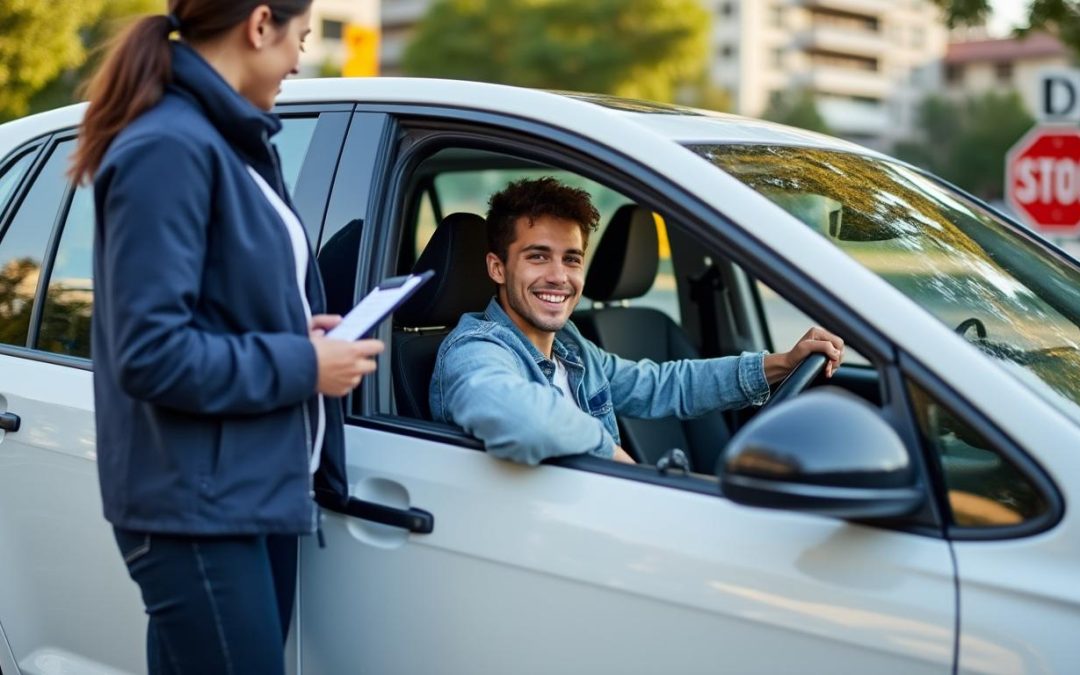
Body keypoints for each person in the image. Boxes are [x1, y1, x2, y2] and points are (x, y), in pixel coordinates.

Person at [69, 3, 383, 673]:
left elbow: (211, 303)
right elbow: (150, 352)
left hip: (247, 491)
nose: (301, 59)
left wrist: (295, 329)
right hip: (196, 510)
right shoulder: (168, 147)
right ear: (261, 23)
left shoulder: (225, 141)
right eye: (301, 38)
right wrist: (305, 362)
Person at [429, 177, 844, 466]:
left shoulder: (570, 346)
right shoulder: (474, 350)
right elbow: (517, 417)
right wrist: (612, 456)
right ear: (498, 268)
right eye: (538, 256)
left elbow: (663, 385)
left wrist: (781, 363)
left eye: (571, 259)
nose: (559, 276)